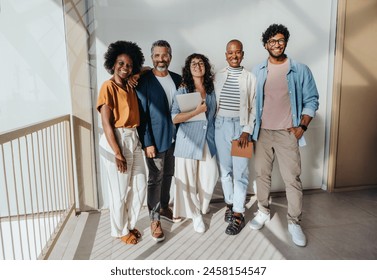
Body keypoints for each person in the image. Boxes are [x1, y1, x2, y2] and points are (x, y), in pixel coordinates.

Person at [249, 24, 319, 247]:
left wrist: (302, 126)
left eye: (280, 40)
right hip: (262, 132)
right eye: (272, 41)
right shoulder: (257, 70)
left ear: (286, 42)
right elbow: (250, 102)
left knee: (292, 179)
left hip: (288, 132)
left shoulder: (300, 69)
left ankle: (294, 222)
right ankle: (262, 211)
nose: (276, 45)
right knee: (262, 175)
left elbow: (312, 100)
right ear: (265, 45)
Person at [96, 40, 146, 245]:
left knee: (140, 185)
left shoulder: (130, 84)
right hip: (116, 138)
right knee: (118, 191)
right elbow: (107, 124)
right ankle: (120, 231)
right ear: (112, 64)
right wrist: (117, 152)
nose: (125, 68)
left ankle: (129, 224)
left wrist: (137, 74)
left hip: (133, 137)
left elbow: (148, 68)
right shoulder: (108, 87)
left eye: (129, 65)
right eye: (120, 63)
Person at [136, 40, 182, 242]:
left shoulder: (177, 79)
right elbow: (142, 115)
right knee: (155, 178)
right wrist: (147, 143)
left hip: (176, 138)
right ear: (151, 57)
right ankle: (154, 219)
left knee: (169, 173)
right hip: (155, 139)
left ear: (170, 56)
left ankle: (164, 206)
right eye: (157, 55)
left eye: (164, 55)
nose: (161, 59)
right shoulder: (144, 81)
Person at [171, 53, 219, 233]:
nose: (197, 66)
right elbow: (174, 117)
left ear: (205, 67)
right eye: (193, 63)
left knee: (210, 176)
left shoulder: (212, 89)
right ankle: (195, 215)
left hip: (208, 140)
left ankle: (202, 207)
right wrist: (196, 111)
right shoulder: (183, 89)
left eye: (200, 63)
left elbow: (213, 116)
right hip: (187, 141)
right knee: (188, 180)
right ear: (188, 69)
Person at [214, 39, 257, 235]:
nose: (234, 56)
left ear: (242, 54)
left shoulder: (250, 78)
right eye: (230, 53)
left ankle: (239, 214)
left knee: (241, 172)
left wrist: (247, 130)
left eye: (237, 52)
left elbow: (254, 106)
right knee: (225, 170)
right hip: (221, 126)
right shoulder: (218, 76)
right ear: (226, 55)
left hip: (241, 130)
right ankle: (231, 204)